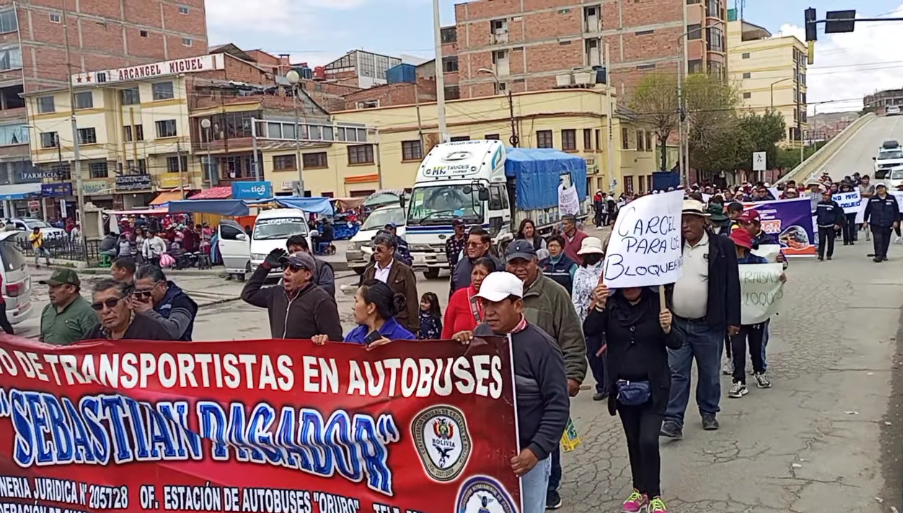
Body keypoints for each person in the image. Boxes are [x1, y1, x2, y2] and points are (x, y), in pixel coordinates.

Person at [456, 272, 568, 513]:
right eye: (484, 303)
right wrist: (454, 349)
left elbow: (557, 406)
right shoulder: (479, 336)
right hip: (483, 456)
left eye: (496, 303)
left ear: (518, 305)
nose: (488, 311)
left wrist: (535, 450)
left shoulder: (543, 347)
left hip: (525, 461)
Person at [504, 239, 586, 509]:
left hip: (547, 383)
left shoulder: (555, 293)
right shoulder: (500, 294)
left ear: (534, 262)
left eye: (523, 263)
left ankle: (550, 487)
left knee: (548, 437)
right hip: (510, 392)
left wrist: (572, 377)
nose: (518, 269)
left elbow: (572, 337)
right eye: (513, 263)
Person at [583, 284, 679, 513]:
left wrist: (668, 328)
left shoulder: (658, 304)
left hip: (655, 386)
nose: (630, 288)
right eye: (625, 285)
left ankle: (655, 495)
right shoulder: (611, 306)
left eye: (635, 283)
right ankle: (639, 490)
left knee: (648, 439)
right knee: (633, 440)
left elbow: (677, 342)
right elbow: (590, 330)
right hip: (624, 389)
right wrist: (598, 306)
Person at [660, 200, 740, 438]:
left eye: (689, 220)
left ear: (703, 221)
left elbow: (732, 285)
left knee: (709, 372)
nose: (684, 226)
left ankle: (708, 411)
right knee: (676, 373)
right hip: (678, 325)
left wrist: (733, 320)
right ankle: (673, 420)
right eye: (681, 221)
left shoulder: (722, 246)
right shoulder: (671, 248)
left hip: (709, 324)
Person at [726, 229, 784, 399]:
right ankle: (739, 381)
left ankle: (759, 371)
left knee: (757, 346)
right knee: (737, 347)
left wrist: (779, 277)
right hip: (736, 314)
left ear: (742, 247)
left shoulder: (757, 261)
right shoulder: (726, 263)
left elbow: (771, 276)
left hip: (757, 312)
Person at [241, 249, 343, 340]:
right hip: (281, 359)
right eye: (285, 267)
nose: (286, 272)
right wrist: (265, 267)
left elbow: (336, 339)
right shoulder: (276, 294)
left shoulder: (321, 300)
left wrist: (323, 339)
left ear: (307, 274)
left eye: (294, 268)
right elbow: (248, 294)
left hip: (305, 359)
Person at [571, 236, 608, 402]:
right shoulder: (579, 272)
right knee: (592, 354)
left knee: (607, 353)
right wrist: (577, 321)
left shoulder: (607, 269)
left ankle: (610, 385)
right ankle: (601, 384)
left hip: (605, 317)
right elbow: (576, 297)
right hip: (587, 319)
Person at [322, 280, 416, 345]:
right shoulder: (353, 335)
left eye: (356, 301)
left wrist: (393, 351)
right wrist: (325, 346)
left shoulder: (406, 340)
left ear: (371, 307)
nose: (353, 307)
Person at [362, 233, 420, 333]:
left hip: (398, 321)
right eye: (374, 249)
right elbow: (362, 296)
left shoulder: (404, 271)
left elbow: (412, 300)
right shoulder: (369, 271)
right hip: (373, 322)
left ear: (391, 250)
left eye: (380, 249)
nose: (376, 252)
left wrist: (413, 327)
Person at [82, 279, 172, 341]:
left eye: (112, 302)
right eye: (98, 306)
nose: (105, 311)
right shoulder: (93, 335)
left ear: (128, 301)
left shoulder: (154, 332)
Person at [130, 265, 199, 341]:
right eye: (138, 292)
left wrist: (148, 312)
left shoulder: (181, 301)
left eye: (147, 292)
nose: (143, 296)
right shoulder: (137, 301)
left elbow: (175, 331)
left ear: (162, 286)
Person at [39, 269, 98, 345]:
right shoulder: (48, 309)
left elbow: (96, 346)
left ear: (71, 289)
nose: (50, 291)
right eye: (50, 287)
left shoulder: (87, 312)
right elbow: (42, 340)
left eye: (55, 287)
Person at [442, 256, 497, 338]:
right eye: (475, 273)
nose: (477, 278)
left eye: (482, 274)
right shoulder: (458, 296)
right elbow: (447, 331)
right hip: (460, 349)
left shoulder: (497, 298)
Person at [450, 227, 502, 294]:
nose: (470, 247)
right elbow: (453, 290)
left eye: (474, 244)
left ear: (486, 246)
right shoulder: (461, 264)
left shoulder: (498, 266)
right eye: (468, 244)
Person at [863, 183, 901, 262]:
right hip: (876, 223)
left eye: (882, 188)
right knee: (878, 240)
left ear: (885, 189)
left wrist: (896, 221)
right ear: (876, 190)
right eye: (878, 188)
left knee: (886, 240)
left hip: (888, 223)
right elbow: (867, 211)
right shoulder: (872, 199)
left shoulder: (892, 198)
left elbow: (896, 211)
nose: (880, 190)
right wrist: (865, 221)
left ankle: (884, 254)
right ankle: (878, 255)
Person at [815, 189, 845, 261]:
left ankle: (829, 254)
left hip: (831, 225)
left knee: (830, 241)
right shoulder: (819, 204)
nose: (824, 197)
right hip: (821, 225)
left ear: (830, 196)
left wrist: (837, 224)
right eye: (823, 195)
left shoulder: (834, 204)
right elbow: (817, 213)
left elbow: (839, 215)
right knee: (821, 240)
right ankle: (820, 255)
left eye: (826, 195)